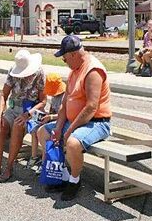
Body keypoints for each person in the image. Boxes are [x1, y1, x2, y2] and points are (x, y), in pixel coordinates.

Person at [38, 35, 111, 200]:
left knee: (72, 142)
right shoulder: (74, 70)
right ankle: (63, 175)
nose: (64, 61)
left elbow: (91, 107)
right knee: (43, 132)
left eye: (64, 58)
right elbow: (65, 103)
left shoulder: (93, 71)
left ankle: (74, 180)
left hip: (97, 123)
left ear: (73, 54)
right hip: (75, 122)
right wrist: (58, 128)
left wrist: (69, 130)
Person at [0, 49, 47, 185]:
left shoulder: (40, 73)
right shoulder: (12, 72)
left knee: (18, 126)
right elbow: (4, 95)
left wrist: (28, 114)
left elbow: (43, 101)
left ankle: (9, 167)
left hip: (30, 110)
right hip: (14, 107)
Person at [27, 73, 66, 170]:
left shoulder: (65, 96)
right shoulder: (55, 97)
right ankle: (36, 157)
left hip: (62, 123)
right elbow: (52, 111)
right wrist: (44, 116)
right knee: (35, 129)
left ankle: (47, 161)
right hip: (53, 121)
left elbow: (65, 115)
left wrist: (50, 117)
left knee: (44, 133)